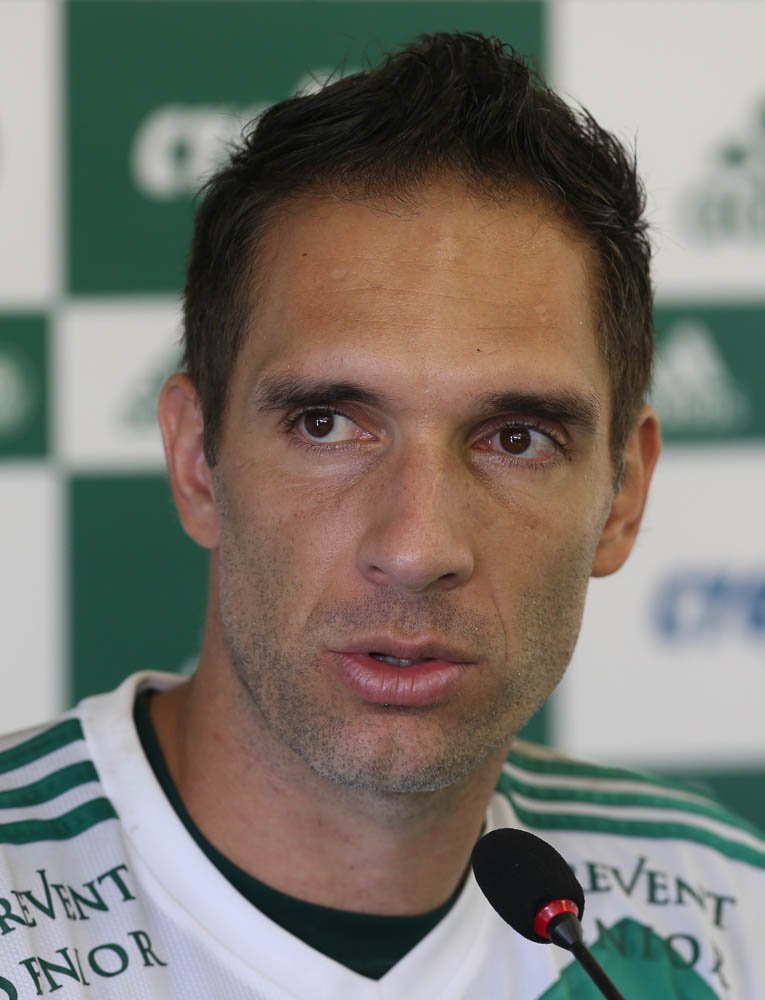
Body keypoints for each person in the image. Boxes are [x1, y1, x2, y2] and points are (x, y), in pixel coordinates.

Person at [0, 32, 762, 1000]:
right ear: (197, 462)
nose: (415, 547)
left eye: (516, 438)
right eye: (326, 424)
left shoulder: (730, 915)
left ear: (623, 494)